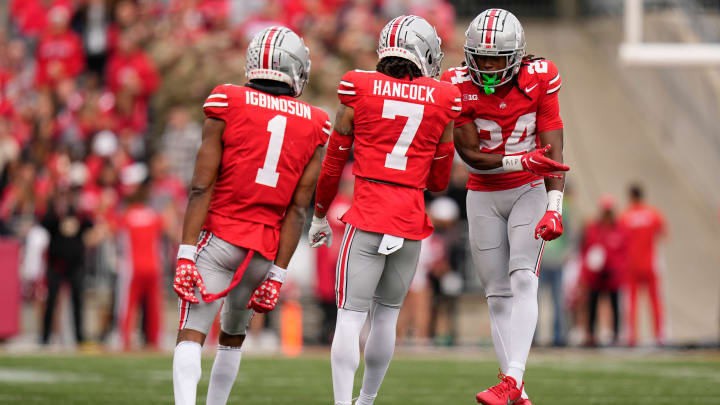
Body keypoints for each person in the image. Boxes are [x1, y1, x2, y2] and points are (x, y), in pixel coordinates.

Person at [171, 26, 330, 405]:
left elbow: (200, 187)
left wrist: (186, 251)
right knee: (232, 337)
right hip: (264, 250)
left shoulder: (228, 100)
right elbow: (298, 208)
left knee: (191, 333)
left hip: (220, 239)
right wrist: (278, 272)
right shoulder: (315, 121)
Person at [309, 15, 461, 405]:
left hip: (367, 215)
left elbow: (332, 165)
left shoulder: (358, 87)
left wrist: (319, 212)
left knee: (350, 318)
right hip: (410, 221)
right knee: (387, 317)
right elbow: (440, 181)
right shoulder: (443, 98)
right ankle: (367, 400)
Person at [440, 9, 569, 405]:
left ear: (517, 55)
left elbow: (554, 149)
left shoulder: (541, 76)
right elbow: (470, 155)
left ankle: (512, 379)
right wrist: (519, 160)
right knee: (496, 293)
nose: (490, 66)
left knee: (523, 279)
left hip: (529, 188)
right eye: (481, 57)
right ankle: (518, 393)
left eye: (497, 58)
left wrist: (555, 205)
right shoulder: (456, 82)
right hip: (484, 190)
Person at [619, 183, 666, 346]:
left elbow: (621, 241)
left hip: (632, 265)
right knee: (655, 301)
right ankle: (659, 335)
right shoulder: (653, 214)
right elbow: (663, 233)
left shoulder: (626, 217)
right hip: (650, 263)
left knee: (631, 302)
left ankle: (632, 336)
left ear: (631, 196)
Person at [579, 195, 626, 346]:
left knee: (614, 305)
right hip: (595, 276)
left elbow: (624, 252)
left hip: (612, 276)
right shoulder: (593, 228)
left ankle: (616, 335)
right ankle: (591, 335)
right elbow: (586, 250)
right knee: (592, 304)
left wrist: (615, 268)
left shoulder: (619, 229)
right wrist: (589, 269)